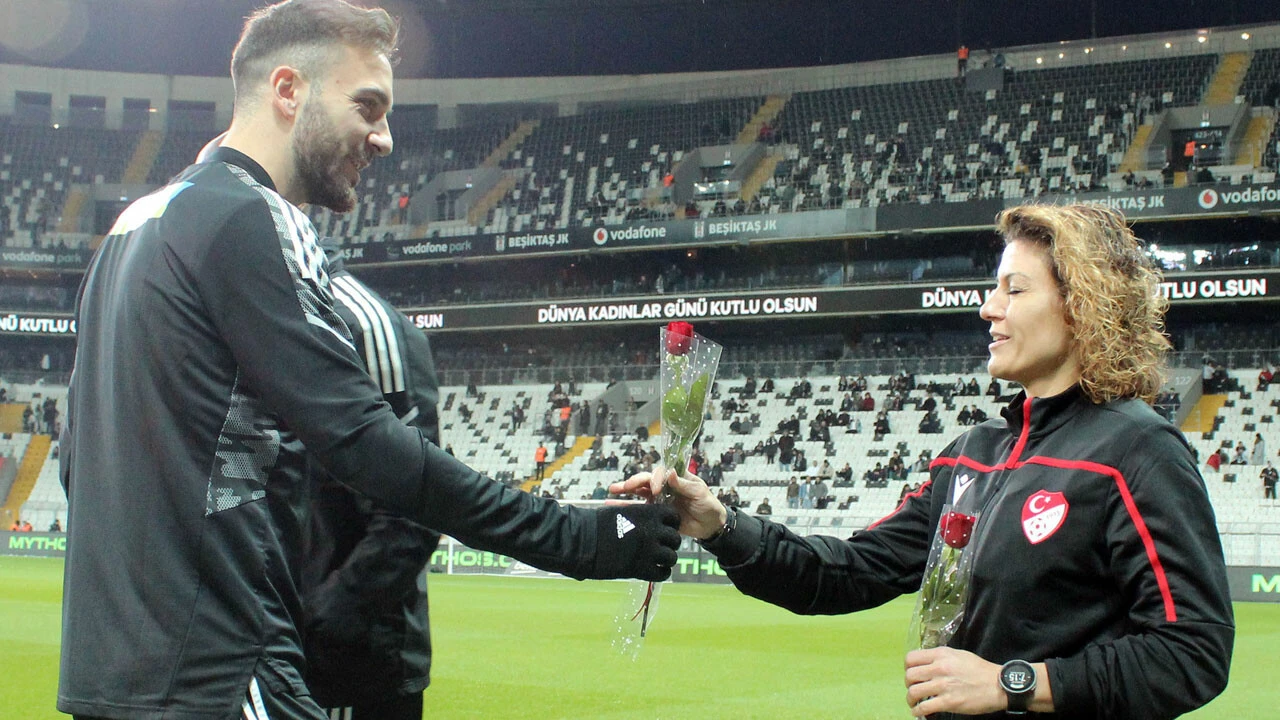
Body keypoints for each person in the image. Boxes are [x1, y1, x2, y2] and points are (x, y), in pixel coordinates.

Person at [57, 3, 681, 719]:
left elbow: (81, 457)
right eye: (368, 107)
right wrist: (584, 535)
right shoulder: (257, 216)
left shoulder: (133, 225)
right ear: (288, 91)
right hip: (221, 675)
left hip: (108, 679)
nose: (383, 138)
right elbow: (370, 447)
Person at [616, 204, 1233, 719]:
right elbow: (848, 572)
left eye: (1014, 290)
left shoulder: (1137, 452)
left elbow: (1193, 652)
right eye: (994, 289)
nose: (989, 309)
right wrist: (721, 525)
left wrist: (1011, 684)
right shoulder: (972, 455)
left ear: (1082, 305)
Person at [300, 239, 444, 720]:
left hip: (346, 664)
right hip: (259, 649)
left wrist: (327, 617)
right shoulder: (256, 309)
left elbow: (415, 505)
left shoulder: (364, 324)